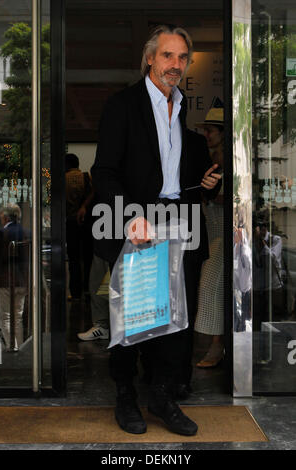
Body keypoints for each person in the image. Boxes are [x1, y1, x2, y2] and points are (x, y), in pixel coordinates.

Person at [91, 25, 221, 436]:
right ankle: (125, 396)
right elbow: (105, 172)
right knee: (133, 320)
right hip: (135, 223)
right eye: (168, 56)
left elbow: (167, 177)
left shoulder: (180, 109)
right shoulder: (123, 105)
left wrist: (197, 186)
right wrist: (131, 216)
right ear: (150, 58)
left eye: (182, 58)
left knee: (173, 320)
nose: (176, 65)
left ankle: (162, 397)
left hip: (176, 223)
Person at [194, 107, 225, 367]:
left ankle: (217, 345)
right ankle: (219, 344)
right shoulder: (210, 158)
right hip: (211, 229)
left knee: (210, 285)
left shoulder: (229, 161)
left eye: (211, 130)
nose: (206, 134)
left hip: (226, 231)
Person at [0, 203, 29, 351]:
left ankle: (12, 347)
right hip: (22, 281)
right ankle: (20, 347)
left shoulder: (1, 233)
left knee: (5, 317)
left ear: (4, 217)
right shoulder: (27, 232)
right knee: (18, 317)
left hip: (5, 280)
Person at [65, 153, 93, 300]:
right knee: (88, 257)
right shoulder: (87, 177)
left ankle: (75, 292)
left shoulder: (63, 179)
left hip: (70, 222)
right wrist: (84, 206)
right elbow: (95, 193)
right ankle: (88, 290)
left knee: (74, 258)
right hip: (87, 223)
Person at [77, 254, 110, 341]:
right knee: (97, 282)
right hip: (102, 245)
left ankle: (105, 325)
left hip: (122, 245)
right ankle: (102, 325)